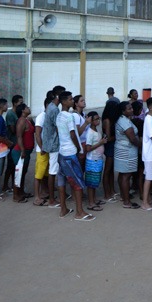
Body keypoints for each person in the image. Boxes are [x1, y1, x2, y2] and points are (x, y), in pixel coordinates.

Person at [54, 91, 95, 221]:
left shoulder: (59, 115)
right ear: (64, 101)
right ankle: (79, 212)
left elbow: (59, 132)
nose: (72, 101)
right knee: (78, 182)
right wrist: (78, 148)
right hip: (70, 153)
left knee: (62, 181)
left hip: (62, 152)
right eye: (70, 99)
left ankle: (63, 209)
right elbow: (73, 134)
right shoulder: (69, 116)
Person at [113, 101, 140, 209]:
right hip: (127, 151)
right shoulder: (124, 122)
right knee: (126, 176)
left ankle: (124, 196)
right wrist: (142, 146)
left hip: (122, 149)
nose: (132, 110)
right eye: (129, 109)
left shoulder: (123, 119)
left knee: (122, 174)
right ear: (123, 111)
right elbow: (132, 138)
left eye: (131, 108)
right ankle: (127, 201)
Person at [83, 111, 106, 212]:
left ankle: (94, 200)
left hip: (98, 159)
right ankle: (91, 203)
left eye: (98, 118)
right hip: (92, 160)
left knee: (95, 181)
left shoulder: (96, 130)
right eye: (96, 119)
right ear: (91, 121)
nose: (98, 121)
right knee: (91, 183)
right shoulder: (90, 133)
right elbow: (88, 148)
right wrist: (100, 143)